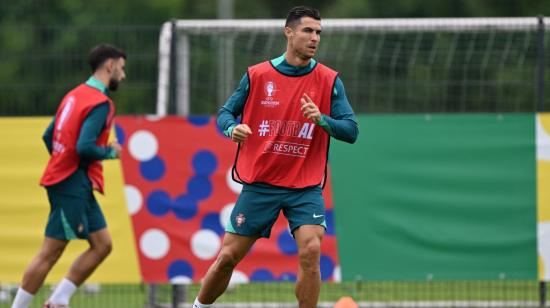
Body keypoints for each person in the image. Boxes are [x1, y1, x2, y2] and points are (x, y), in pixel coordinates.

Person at [194, 6, 358, 308]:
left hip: (305, 187)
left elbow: (350, 130)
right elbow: (225, 113)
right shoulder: (257, 75)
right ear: (289, 33)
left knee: (311, 251)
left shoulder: (329, 80)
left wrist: (321, 119)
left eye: (318, 32)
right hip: (261, 184)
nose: (314, 38)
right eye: (308, 31)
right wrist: (232, 128)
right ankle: (198, 306)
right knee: (228, 257)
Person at [11, 44, 126, 308]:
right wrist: (109, 152)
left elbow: (48, 136)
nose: (123, 75)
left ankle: (59, 299)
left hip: (74, 181)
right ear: (109, 65)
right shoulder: (101, 103)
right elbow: (83, 147)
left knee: (102, 244)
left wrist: (63, 161)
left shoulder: (74, 94)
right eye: (121, 68)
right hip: (70, 182)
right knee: (51, 251)